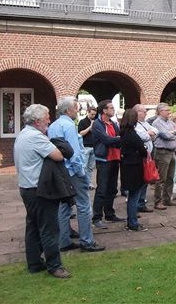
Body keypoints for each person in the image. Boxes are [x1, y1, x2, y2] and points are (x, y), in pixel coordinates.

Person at [14, 104, 70, 278]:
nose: (49, 120)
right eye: (46, 118)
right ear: (37, 121)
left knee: (33, 226)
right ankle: (55, 266)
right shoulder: (35, 137)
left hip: (27, 187)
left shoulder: (23, 134)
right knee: (49, 229)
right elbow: (58, 155)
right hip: (39, 189)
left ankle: (35, 263)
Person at [48, 97, 105, 253]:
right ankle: (87, 241)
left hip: (60, 171)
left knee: (64, 205)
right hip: (72, 171)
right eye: (76, 108)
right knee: (84, 206)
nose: (77, 111)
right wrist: (81, 173)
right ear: (68, 110)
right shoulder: (68, 126)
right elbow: (74, 152)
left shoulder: (53, 126)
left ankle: (64, 240)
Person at [91, 100, 123, 229]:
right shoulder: (97, 125)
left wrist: (115, 140)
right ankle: (97, 217)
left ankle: (109, 213)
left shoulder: (113, 124)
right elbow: (106, 140)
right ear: (104, 110)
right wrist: (117, 140)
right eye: (111, 108)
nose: (113, 110)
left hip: (115, 159)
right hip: (104, 160)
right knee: (102, 189)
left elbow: (117, 138)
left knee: (112, 188)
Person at [119, 109, 149, 231]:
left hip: (127, 165)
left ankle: (131, 221)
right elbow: (142, 149)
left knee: (132, 195)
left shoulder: (123, 132)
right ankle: (133, 222)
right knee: (134, 196)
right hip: (134, 167)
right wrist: (144, 149)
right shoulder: (132, 134)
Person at [152, 102, 176, 209]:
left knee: (170, 177)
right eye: (167, 110)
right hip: (162, 152)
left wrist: (172, 132)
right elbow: (166, 135)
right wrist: (172, 133)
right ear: (160, 111)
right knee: (161, 178)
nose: (169, 112)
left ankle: (167, 199)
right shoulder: (157, 123)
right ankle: (157, 201)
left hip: (171, 151)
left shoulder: (169, 122)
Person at [133, 104, 158, 213]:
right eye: (143, 111)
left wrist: (149, 134)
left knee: (146, 179)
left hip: (148, 155)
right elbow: (142, 136)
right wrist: (149, 134)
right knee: (139, 180)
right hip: (140, 156)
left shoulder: (145, 123)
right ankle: (137, 203)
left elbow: (156, 131)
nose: (146, 113)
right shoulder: (135, 124)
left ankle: (141, 202)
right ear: (137, 112)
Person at [77, 106, 97, 190]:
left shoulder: (96, 121)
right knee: (84, 166)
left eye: (94, 114)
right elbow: (80, 133)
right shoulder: (82, 122)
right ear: (88, 112)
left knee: (90, 167)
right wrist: (90, 127)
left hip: (94, 146)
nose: (93, 116)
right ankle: (83, 183)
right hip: (85, 147)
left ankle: (88, 183)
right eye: (92, 114)